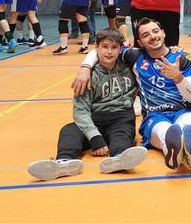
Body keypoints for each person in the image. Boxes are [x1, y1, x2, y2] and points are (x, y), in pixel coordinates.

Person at [73, 18, 191, 173]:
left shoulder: (182, 57)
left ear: (163, 33)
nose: (152, 36)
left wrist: (178, 78)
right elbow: (103, 48)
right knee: (165, 131)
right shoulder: (136, 56)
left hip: (183, 111)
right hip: (154, 115)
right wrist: (85, 67)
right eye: (146, 35)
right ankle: (181, 153)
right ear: (140, 42)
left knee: (187, 124)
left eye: (155, 31)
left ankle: (179, 154)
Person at [28, 29, 147, 181]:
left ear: (120, 49)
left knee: (123, 133)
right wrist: (95, 138)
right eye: (104, 47)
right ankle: (63, 162)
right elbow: (80, 111)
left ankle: (119, 158)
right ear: (96, 48)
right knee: (69, 130)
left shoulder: (130, 67)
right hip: (94, 118)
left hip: (121, 116)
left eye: (114, 47)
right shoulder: (87, 76)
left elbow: (148, 54)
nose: (109, 52)